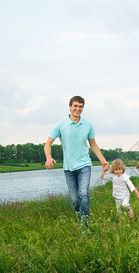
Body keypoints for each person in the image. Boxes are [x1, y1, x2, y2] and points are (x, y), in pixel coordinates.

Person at [44, 95, 109, 227]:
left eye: (80, 106)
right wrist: (49, 158)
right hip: (68, 168)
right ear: (70, 107)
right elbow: (48, 144)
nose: (78, 109)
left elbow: (93, 144)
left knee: (83, 194)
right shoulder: (61, 125)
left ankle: (85, 226)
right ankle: (81, 217)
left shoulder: (88, 125)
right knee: (75, 200)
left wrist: (103, 161)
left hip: (85, 165)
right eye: (75, 106)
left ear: (83, 108)